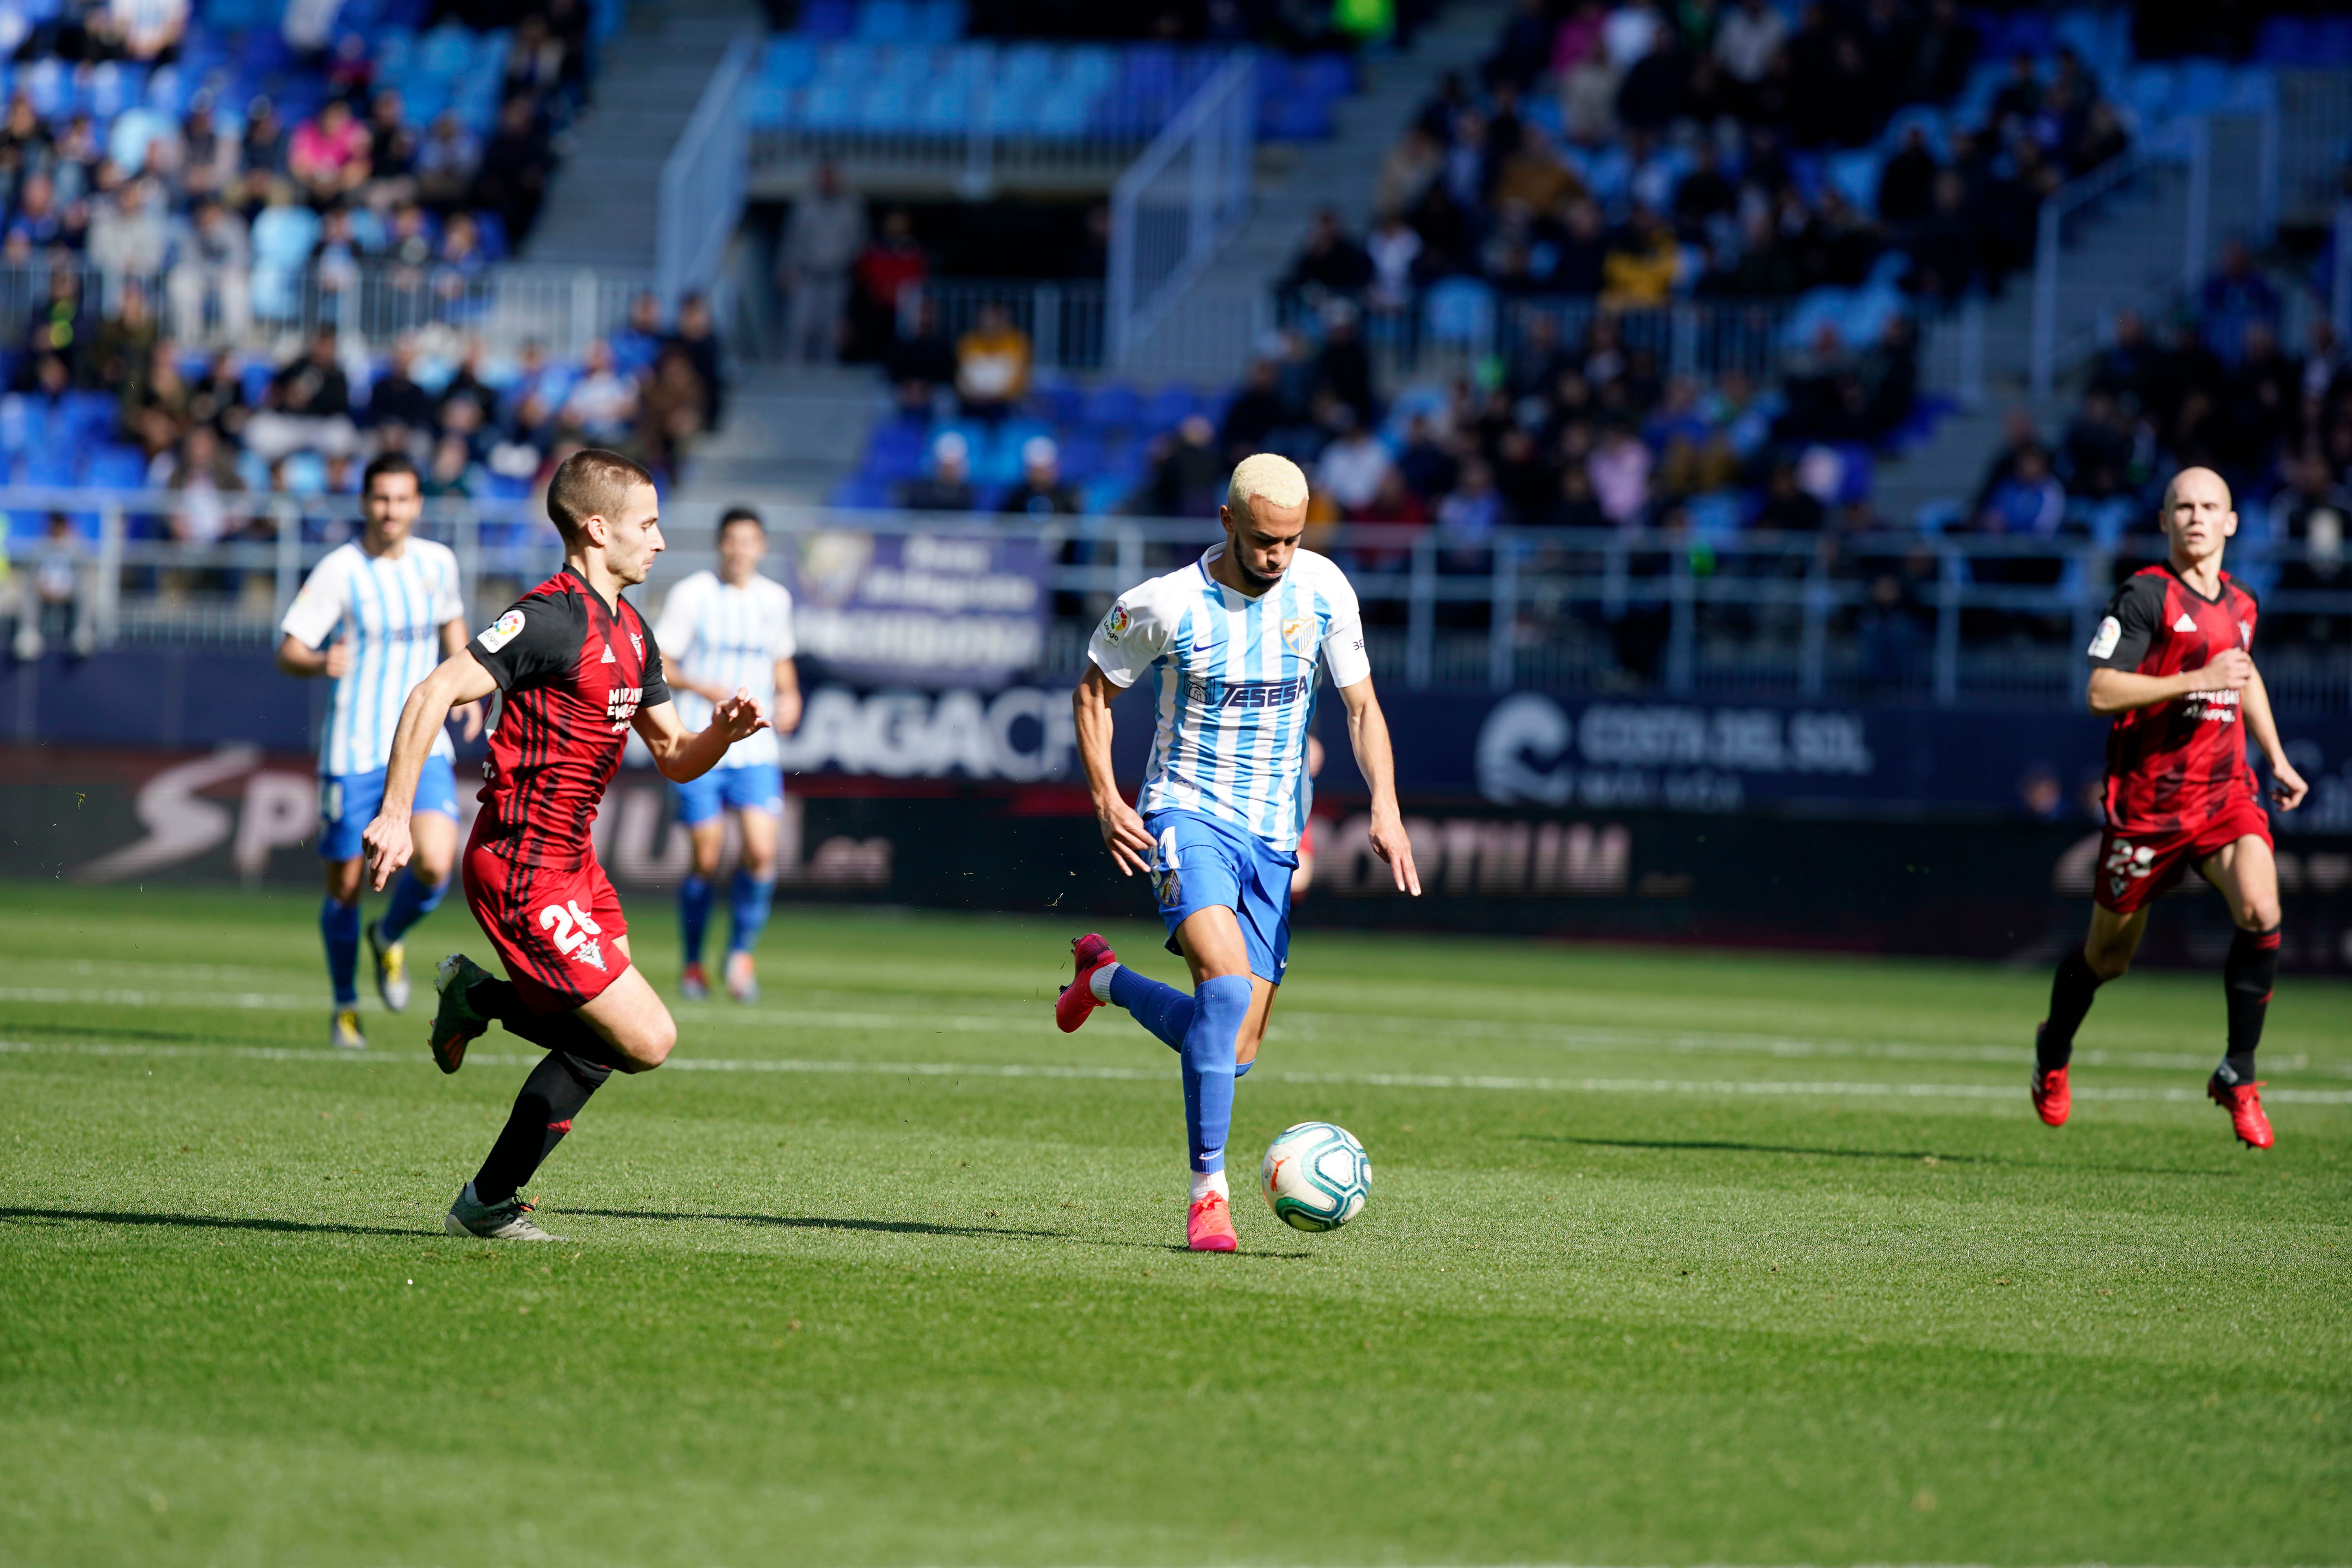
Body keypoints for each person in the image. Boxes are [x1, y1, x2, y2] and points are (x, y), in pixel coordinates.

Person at [359, 448, 769, 1241]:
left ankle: (487, 1180)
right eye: (646, 524)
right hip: (519, 864)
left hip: (574, 864)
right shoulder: (549, 616)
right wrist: (399, 811)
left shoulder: (634, 631)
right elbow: (434, 689)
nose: (657, 540)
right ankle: (485, 1167)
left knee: (604, 1040)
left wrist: (721, 733)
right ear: (596, 527)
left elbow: (678, 756)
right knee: (647, 1036)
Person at [1054, 454, 1421, 1252]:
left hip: (1273, 834)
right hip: (1186, 815)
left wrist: (1384, 806)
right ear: (1227, 522)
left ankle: (1106, 978)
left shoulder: (1324, 589)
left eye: (1290, 540)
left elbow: (1362, 708)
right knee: (1223, 991)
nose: (1277, 556)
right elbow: (1092, 691)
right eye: (1262, 540)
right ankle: (1207, 1195)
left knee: (1234, 1045)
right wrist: (1108, 799)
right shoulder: (1164, 604)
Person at [2029, 467, 2310, 1149]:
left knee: (2261, 910)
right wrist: (2193, 679)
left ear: (2232, 522)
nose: (2196, 517)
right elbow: (2099, 691)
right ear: (2164, 521)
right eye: (2182, 506)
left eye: (2210, 506)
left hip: (2223, 794)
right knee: (2109, 959)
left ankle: (2237, 1073)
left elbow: (2243, 673)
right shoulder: (2145, 596)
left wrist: (2274, 755)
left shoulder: (2244, 604)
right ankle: (2053, 1048)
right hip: (2149, 807)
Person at [276, 454, 482, 1050]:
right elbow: (289, 650)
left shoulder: (438, 563)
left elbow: (453, 628)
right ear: (366, 502)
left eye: (402, 499)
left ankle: (388, 936)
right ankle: (345, 1005)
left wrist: (465, 691)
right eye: (381, 499)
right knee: (344, 886)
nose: (391, 510)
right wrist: (318, 660)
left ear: (418, 504)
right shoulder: (340, 571)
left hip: (423, 742)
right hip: (353, 749)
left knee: (439, 862)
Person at [653, 506, 802, 1003]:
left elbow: (782, 664)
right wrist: (701, 683)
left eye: (750, 541)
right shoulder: (692, 594)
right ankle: (693, 964)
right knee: (707, 857)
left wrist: (792, 697)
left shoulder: (774, 600)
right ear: (721, 545)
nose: (740, 549)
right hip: (703, 739)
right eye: (732, 540)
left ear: (761, 547)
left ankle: (739, 955)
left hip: (757, 746)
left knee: (761, 852)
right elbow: (661, 662)